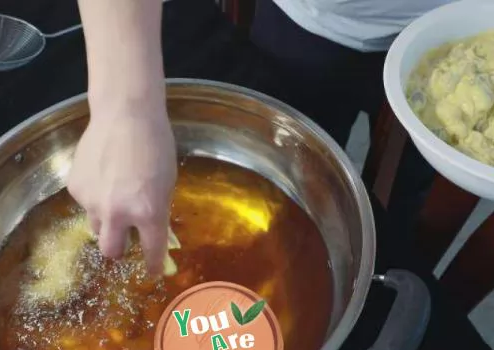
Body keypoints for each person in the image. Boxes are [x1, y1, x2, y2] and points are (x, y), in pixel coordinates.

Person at [68, 0, 452, 274]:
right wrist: (125, 107)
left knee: (404, 197)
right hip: (312, 21)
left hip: (460, 33)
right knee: (295, 174)